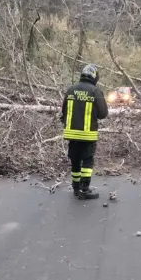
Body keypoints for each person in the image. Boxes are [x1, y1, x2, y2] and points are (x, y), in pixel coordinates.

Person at [61, 63, 109, 200]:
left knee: (75, 161)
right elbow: (103, 114)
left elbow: (63, 110)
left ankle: (76, 187)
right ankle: (85, 189)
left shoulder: (71, 89)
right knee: (87, 161)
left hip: (72, 134)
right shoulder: (95, 91)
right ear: (95, 76)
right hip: (88, 135)